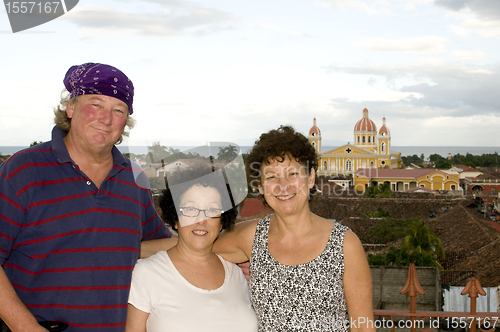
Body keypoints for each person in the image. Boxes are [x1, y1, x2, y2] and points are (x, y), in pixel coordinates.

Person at [0, 63, 175, 332]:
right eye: (96, 104)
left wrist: (233, 259)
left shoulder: (135, 178)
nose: (106, 119)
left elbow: (160, 246)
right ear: (71, 107)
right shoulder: (23, 170)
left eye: (118, 110)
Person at [212, 125, 376, 332]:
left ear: (311, 178)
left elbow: (363, 327)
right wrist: (235, 271)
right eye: (271, 176)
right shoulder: (250, 238)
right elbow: (193, 249)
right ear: (260, 187)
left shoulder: (345, 244)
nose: (283, 185)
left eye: (292, 173)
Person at [125, 164, 258, 332]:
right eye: (190, 209)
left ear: (222, 220)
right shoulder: (146, 273)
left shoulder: (239, 274)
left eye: (212, 209)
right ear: (175, 218)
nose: (201, 219)